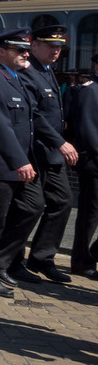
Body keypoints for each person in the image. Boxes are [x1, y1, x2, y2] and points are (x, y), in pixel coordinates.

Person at [0, 27, 45, 299]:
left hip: (21, 163)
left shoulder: (17, 79)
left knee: (33, 206)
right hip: (0, 163)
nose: (25, 54)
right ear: (1, 51)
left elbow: (32, 119)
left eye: (27, 50)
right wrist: (18, 160)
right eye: (19, 50)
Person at [18, 24, 78, 283]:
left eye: (59, 46)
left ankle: (41, 257)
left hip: (50, 153)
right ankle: (10, 260)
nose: (56, 51)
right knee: (26, 207)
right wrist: (59, 142)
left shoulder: (47, 71)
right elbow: (34, 115)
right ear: (33, 46)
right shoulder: (26, 72)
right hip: (35, 152)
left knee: (62, 202)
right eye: (50, 45)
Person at [68, 53, 98, 279]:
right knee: (90, 215)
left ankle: (92, 253)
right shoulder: (89, 91)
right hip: (94, 164)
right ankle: (81, 261)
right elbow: (88, 132)